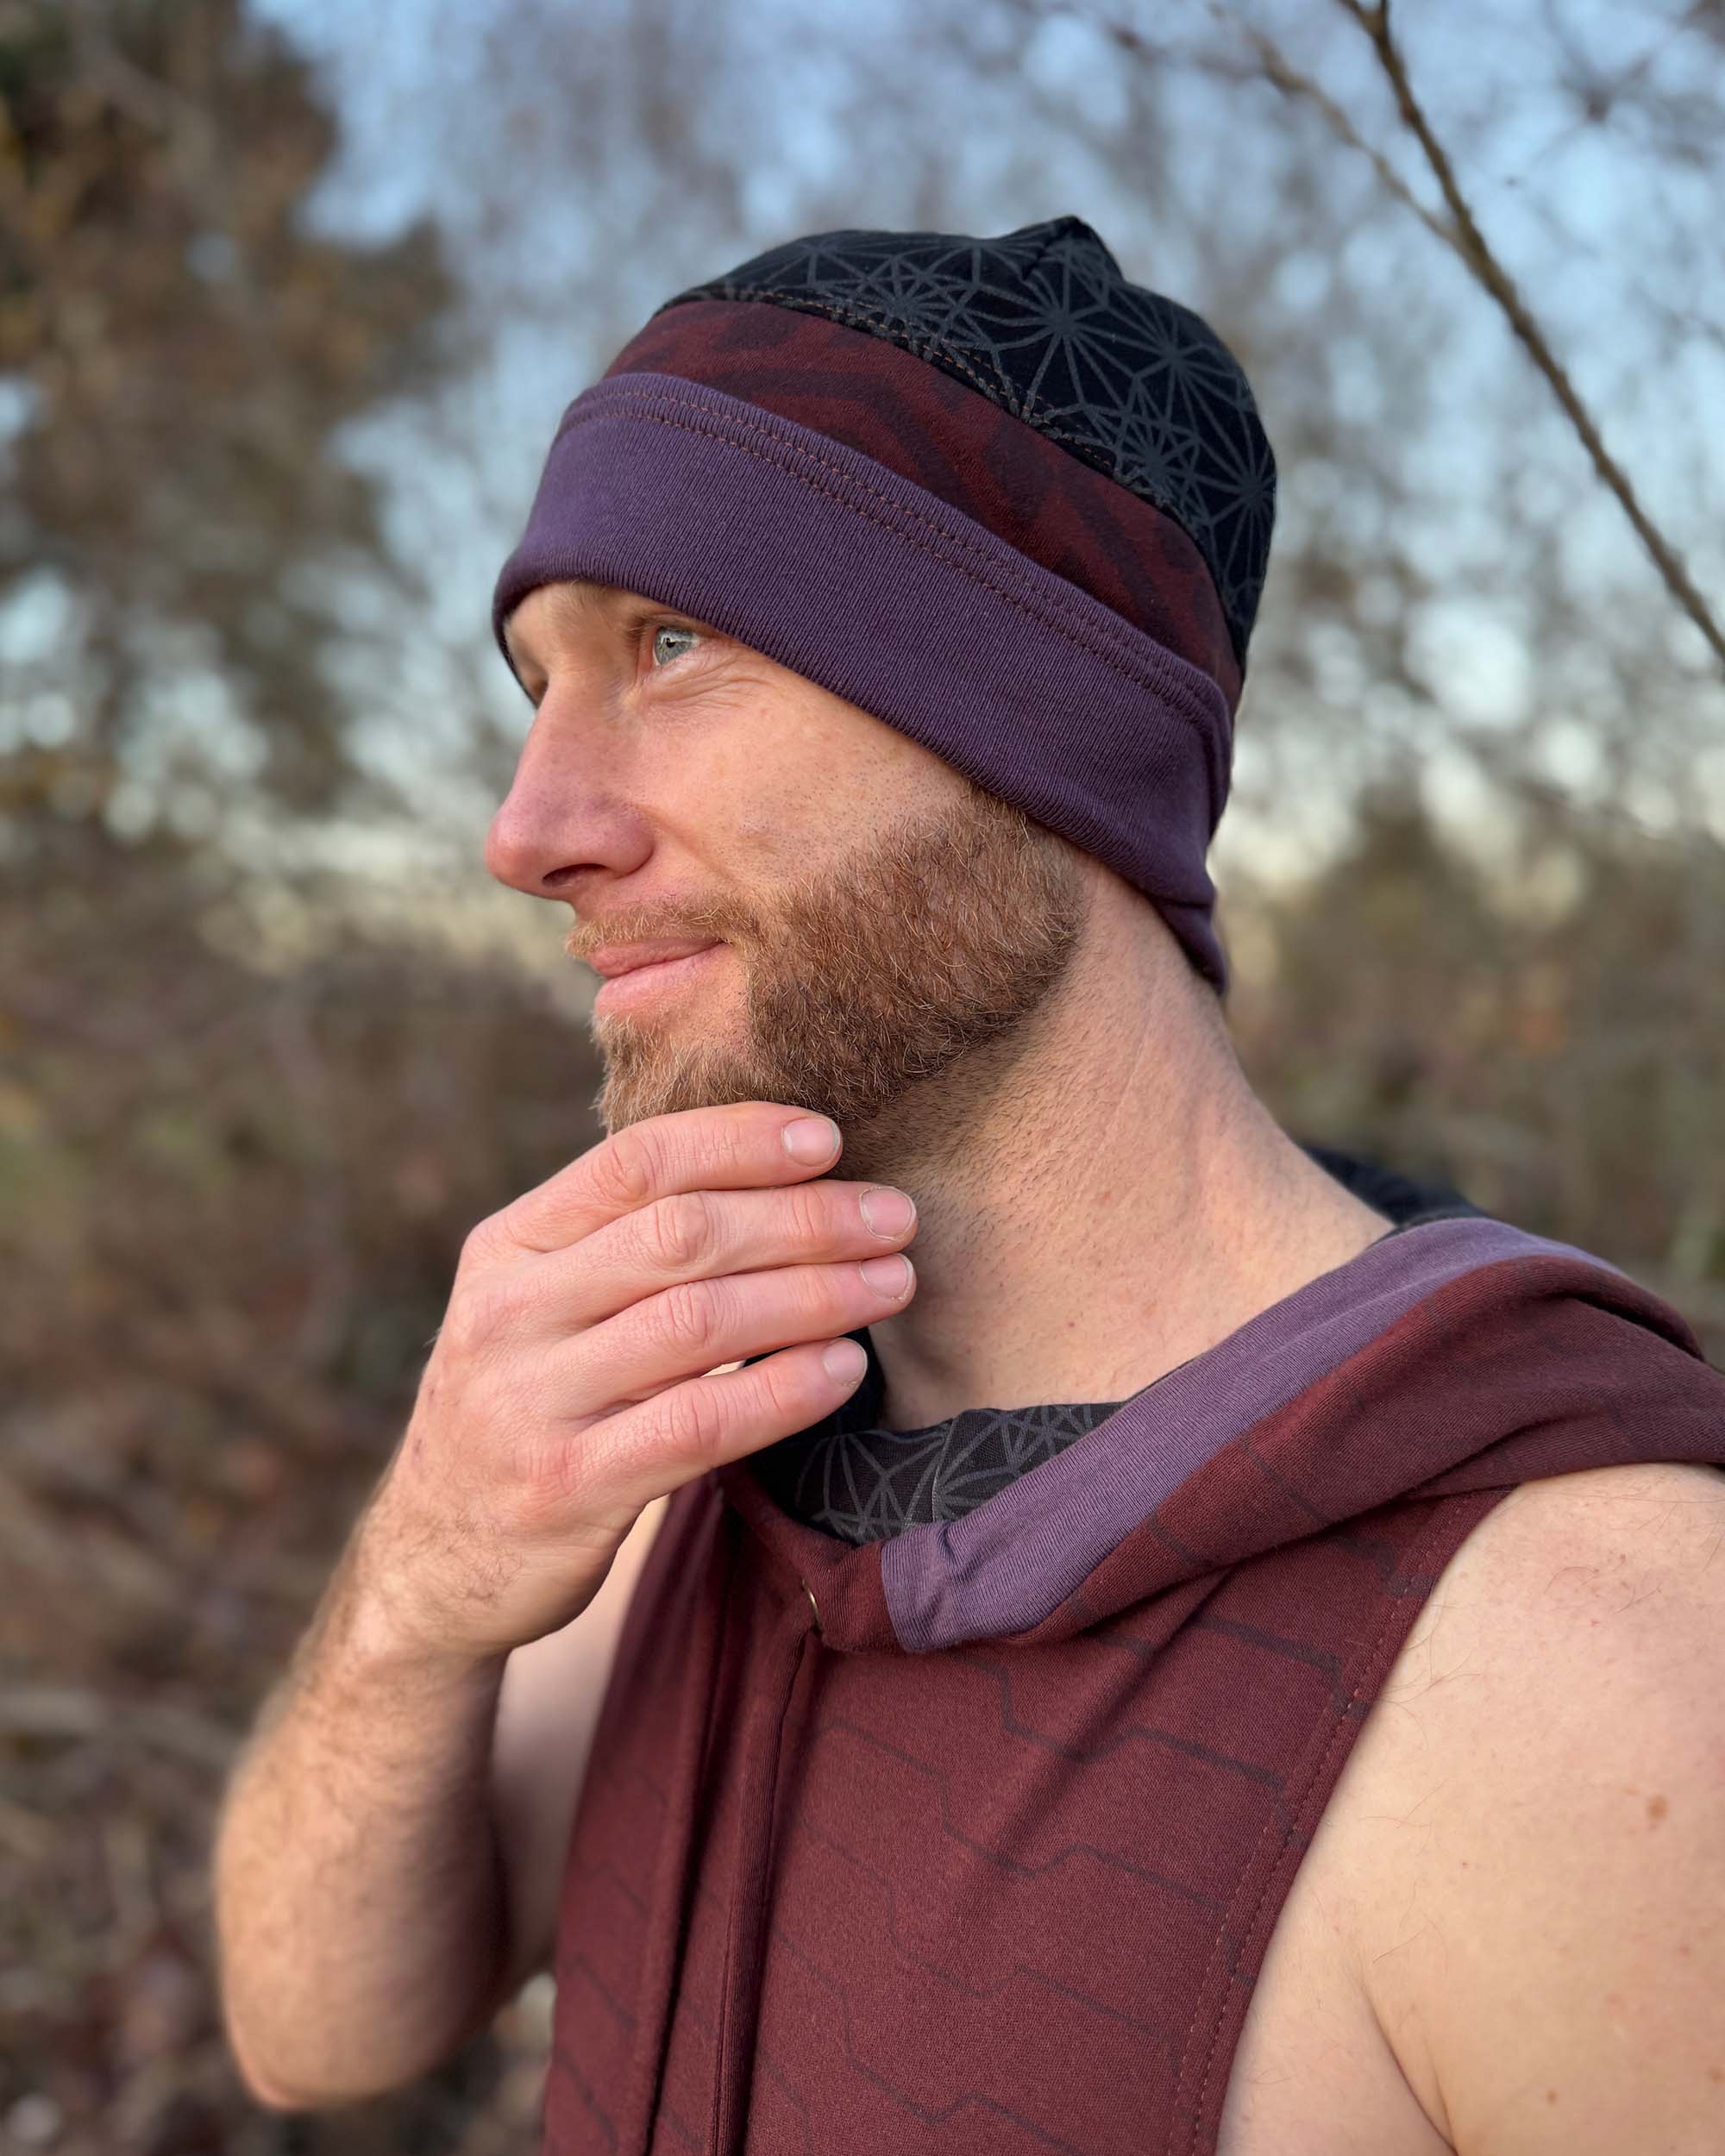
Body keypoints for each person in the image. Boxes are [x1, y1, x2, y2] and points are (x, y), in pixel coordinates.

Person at [212, 217, 1725, 2153]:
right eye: (535, 682)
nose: (526, 829)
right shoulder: (693, 1438)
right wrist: (419, 1582)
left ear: (1042, 732)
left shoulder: (1600, 1672)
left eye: (665, 645)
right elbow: (312, 2029)